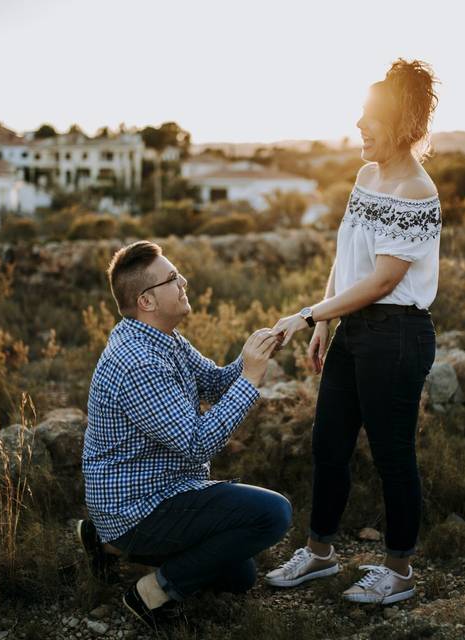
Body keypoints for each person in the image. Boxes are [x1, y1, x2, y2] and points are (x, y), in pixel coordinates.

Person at [266, 58, 441, 605]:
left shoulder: (416, 190)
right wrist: (327, 320)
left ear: (404, 124)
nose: (358, 126)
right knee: (328, 444)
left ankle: (400, 573)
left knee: (392, 456)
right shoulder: (367, 177)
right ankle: (320, 554)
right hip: (356, 329)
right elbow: (349, 262)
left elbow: (386, 278)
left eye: (370, 118)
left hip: (396, 336)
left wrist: (310, 316)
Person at [76, 240, 291, 630]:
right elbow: (198, 442)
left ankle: (103, 544)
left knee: (239, 576)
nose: (184, 282)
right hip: (137, 507)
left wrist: (254, 353)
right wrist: (251, 378)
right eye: (173, 279)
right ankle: (149, 594)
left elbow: (212, 382)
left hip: (165, 489)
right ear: (147, 301)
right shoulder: (138, 363)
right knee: (273, 515)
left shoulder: (163, 337)